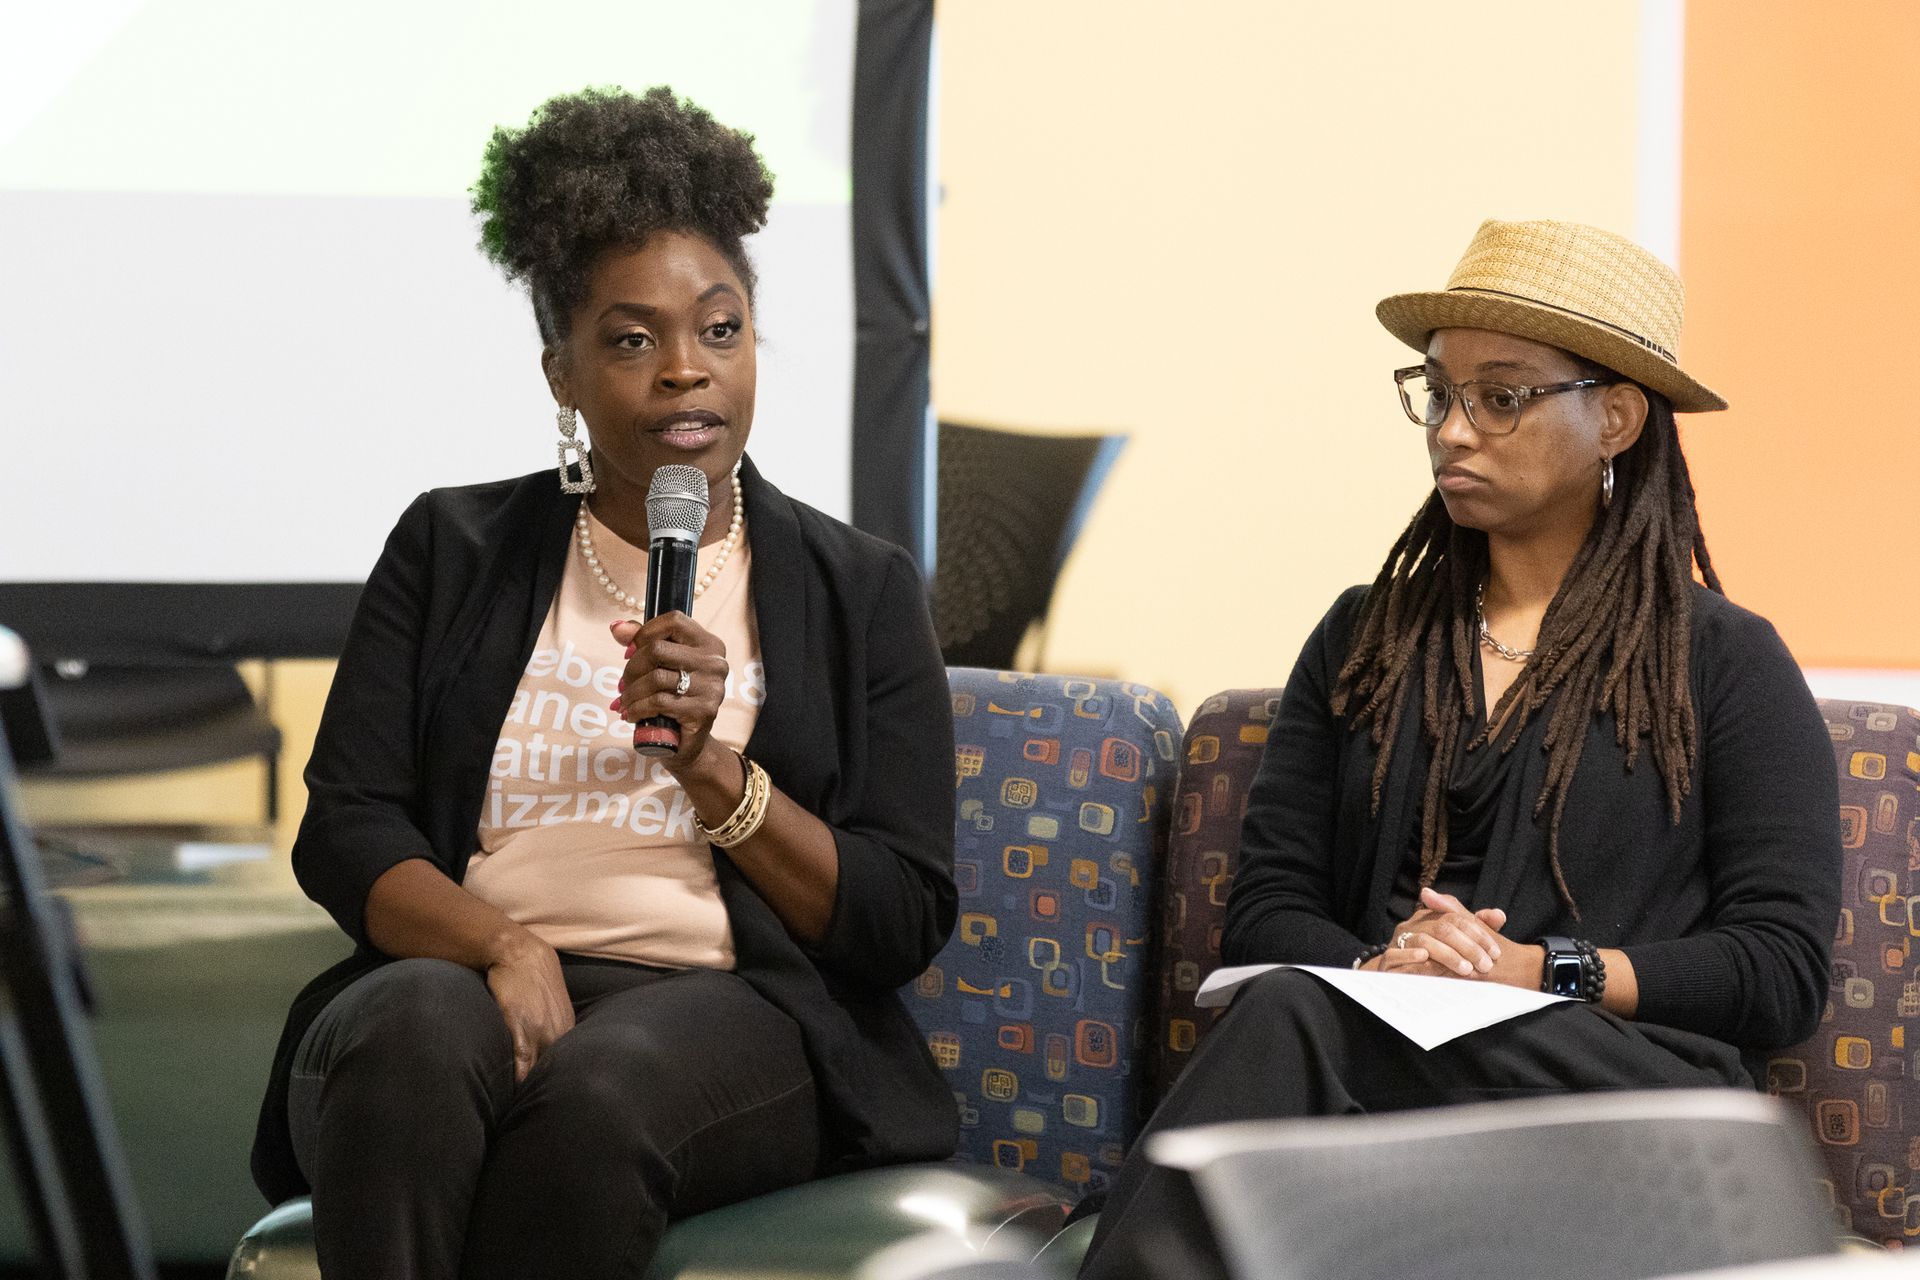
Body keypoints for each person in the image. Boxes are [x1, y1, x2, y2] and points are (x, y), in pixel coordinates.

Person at [249, 86, 958, 1279]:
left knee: (595, 1093)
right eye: (633, 340)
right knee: (417, 1029)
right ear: (561, 373)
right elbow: (347, 827)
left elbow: (898, 915)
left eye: (720, 330)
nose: (687, 373)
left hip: (725, 1005)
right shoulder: (450, 546)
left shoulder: (861, 587)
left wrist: (716, 770)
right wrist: (501, 948)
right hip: (463, 978)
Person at [1078, 220, 1841, 1279]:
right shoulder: (1364, 639)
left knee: (1293, 1018)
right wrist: (1384, 967)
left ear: (1615, 416)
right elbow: (1267, 908)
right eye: (1438, 393)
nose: (1452, 429)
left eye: (1503, 395)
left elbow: (1778, 968)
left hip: (1622, 1097)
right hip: (1374, 1057)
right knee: (1296, 998)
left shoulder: (1723, 659)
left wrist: (1538, 971)